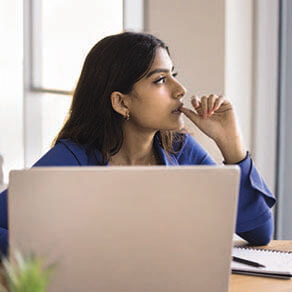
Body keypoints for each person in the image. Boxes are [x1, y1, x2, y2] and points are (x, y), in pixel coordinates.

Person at [0, 32, 276, 256]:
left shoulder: (180, 150)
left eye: (174, 75)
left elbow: (260, 233)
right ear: (121, 102)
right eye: (160, 80)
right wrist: (55, 255)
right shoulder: (72, 158)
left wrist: (232, 147)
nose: (180, 90)